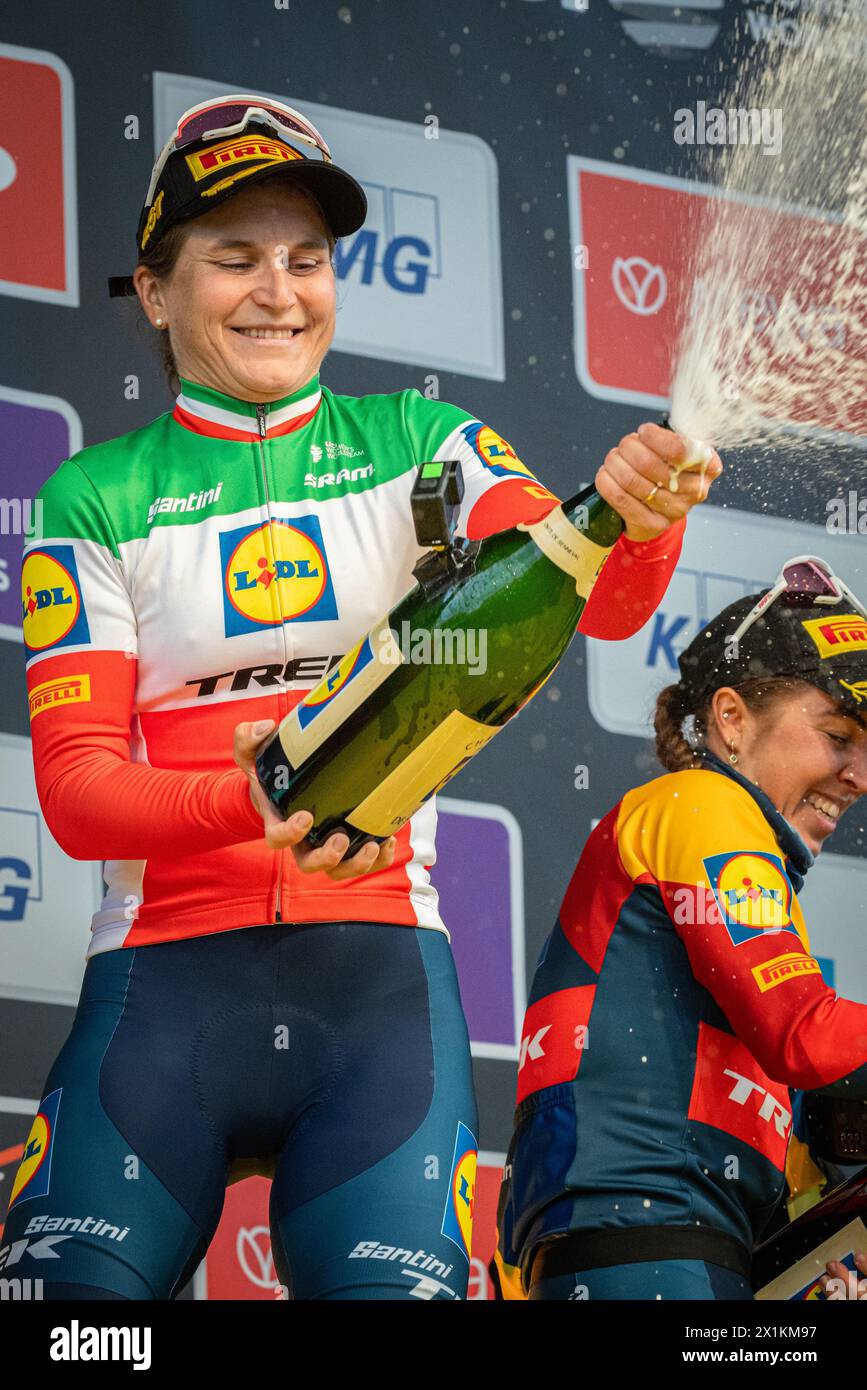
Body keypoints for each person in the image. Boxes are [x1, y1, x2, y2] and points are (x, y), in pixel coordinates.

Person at [6, 95, 720, 1301]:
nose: (279, 291)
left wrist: (645, 516)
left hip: (378, 996)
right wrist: (263, 792)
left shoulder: (417, 440)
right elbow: (76, 797)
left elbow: (583, 596)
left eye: (306, 260)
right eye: (233, 259)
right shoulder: (92, 495)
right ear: (156, 286)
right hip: (161, 995)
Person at [495, 555, 867, 1301]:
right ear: (730, 719)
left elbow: (784, 1187)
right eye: (837, 735)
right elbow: (803, 1035)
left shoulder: (739, 873)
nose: (858, 775)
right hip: (641, 1249)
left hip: (675, 1257)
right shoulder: (698, 807)